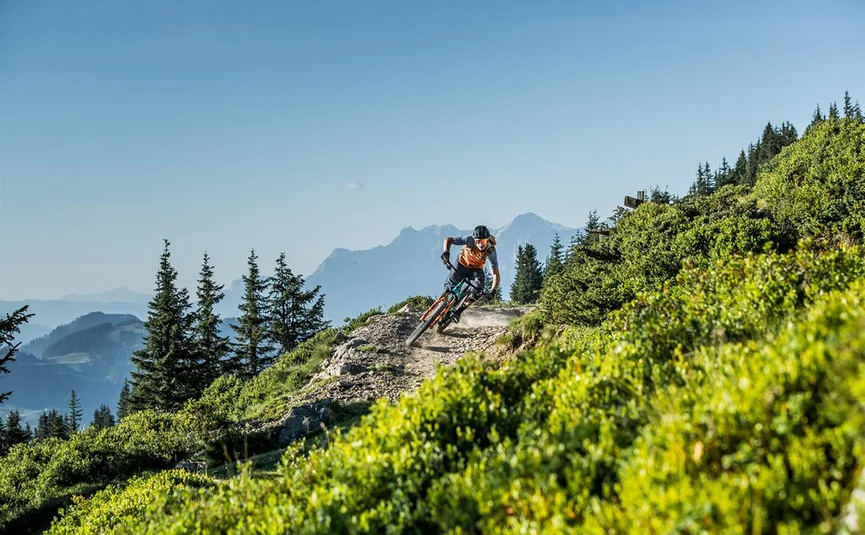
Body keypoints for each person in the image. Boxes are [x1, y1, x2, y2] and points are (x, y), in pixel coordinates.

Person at [440, 225, 500, 323]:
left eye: (483, 241)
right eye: (478, 241)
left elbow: (495, 274)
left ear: (488, 240)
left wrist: (493, 291)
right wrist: (446, 253)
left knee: (478, 290)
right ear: (474, 240)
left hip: (476, 270)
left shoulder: (491, 251)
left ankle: (459, 312)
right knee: (450, 285)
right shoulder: (469, 240)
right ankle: (442, 304)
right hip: (461, 264)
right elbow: (448, 240)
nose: (480, 244)